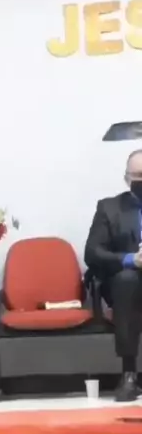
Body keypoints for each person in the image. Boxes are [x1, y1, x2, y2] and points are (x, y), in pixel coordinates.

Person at [85, 149, 142, 402]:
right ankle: (129, 374)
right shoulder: (109, 208)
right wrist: (131, 259)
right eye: (138, 175)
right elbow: (93, 252)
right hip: (125, 283)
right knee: (127, 281)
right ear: (127, 178)